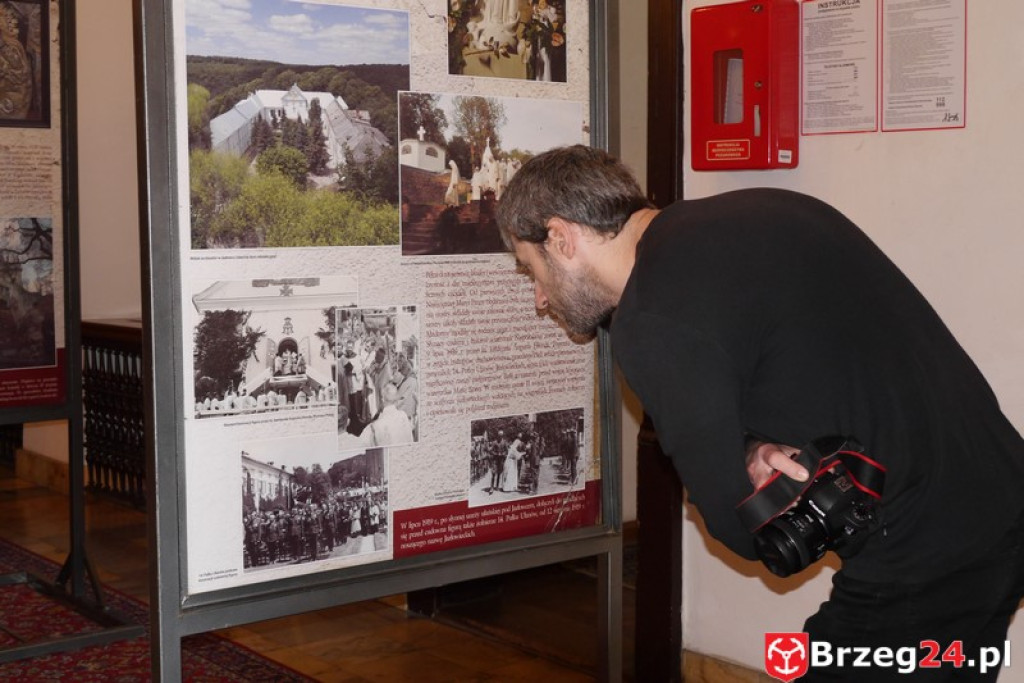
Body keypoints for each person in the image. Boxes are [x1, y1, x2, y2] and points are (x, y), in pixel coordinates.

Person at [496, 144, 1024, 680]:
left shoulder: (652, 316)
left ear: (560, 238)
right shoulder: (764, 208)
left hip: (924, 552)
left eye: (530, 268)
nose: (539, 297)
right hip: (1000, 489)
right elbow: (805, 360)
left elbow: (742, 526)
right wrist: (752, 446)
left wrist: (747, 476)